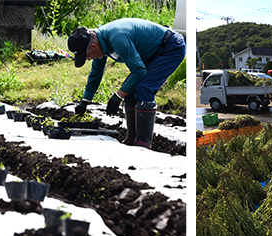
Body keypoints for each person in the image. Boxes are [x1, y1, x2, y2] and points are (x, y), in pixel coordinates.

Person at [66, 18, 186, 148]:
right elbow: (95, 74)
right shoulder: (100, 43)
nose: (88, 59)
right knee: (130, 91)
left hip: (170, 47)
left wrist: (117, 96)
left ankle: (143, 143)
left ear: (93, 46)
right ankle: (131, 138)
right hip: (152, 52)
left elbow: (139, 71)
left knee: (143, 88)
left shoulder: (117, 38)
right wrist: (85, 102)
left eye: (86, 56)